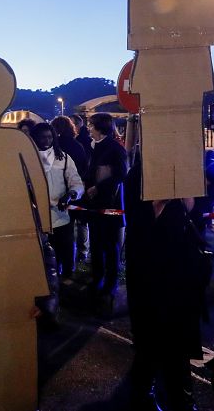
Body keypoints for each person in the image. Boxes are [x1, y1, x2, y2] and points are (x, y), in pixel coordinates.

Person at [125, 158, 204, 411]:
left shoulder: (187, 170)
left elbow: (195, 217)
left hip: (180, 273)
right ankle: (144, 391)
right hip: (150, 272)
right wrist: (159, 205)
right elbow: (138, 225)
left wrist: (186, 199)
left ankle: (181, 396)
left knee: (177, 340)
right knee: (152, 337)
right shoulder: (138, 174)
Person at [83, 113, 127, 315]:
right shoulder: (95, 146)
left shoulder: (115, 148)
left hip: (110, 206)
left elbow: (120, 175)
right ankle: (97, 278)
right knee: (97, 244)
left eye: (91, 125)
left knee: (110, 247)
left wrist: (98, 188)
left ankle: (110, 284)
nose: (88, 128)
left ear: (100, 127)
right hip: (96, 206)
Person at [30, 123, 84, 279]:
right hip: (38, 219)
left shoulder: (63, 158)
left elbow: (76, 182)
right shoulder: (28, 160)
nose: (47, 140)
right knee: (43, 259)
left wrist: (71, 194)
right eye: (42, 137)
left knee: (65, 252)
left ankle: (66, 279)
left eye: (50, 137)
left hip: (61, 217)